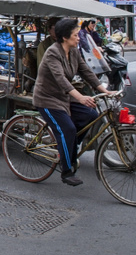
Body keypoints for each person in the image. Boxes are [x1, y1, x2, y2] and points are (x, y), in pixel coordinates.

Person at [33, 18, 112, 186]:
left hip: (63, 97)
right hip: (47, 98)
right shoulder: (53, 52)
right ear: (65, 38)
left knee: (91, 114)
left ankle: (71, 147)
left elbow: (86, 71)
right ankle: (67, 171)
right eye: (76, 35)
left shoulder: (74, 51)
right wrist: (80, 97)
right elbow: (61, 80)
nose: (79, 38)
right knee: (67, 129)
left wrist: (104, 90)